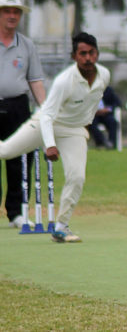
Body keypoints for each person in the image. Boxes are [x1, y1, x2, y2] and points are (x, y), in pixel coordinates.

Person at [0, 32, 110, 243]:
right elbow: (48, 115)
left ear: (97, 54)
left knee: (77, 177)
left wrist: (85, 124)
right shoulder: (64, 81)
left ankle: (61, 227)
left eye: (91, 53)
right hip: (45, 123)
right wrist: (49, 145)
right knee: (5, 151)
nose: (88, 58)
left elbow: (95, 99)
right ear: (74, 56)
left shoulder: (104, 75)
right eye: (82, 53)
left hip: (74, 129)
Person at [0, 0, 46, 229]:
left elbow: (35, 80)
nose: (11, 16)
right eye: (7, 11)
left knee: (19, 158)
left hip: (17, 105)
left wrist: (46, 111)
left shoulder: (26, 45)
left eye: (15, 12)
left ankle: (16, 212)